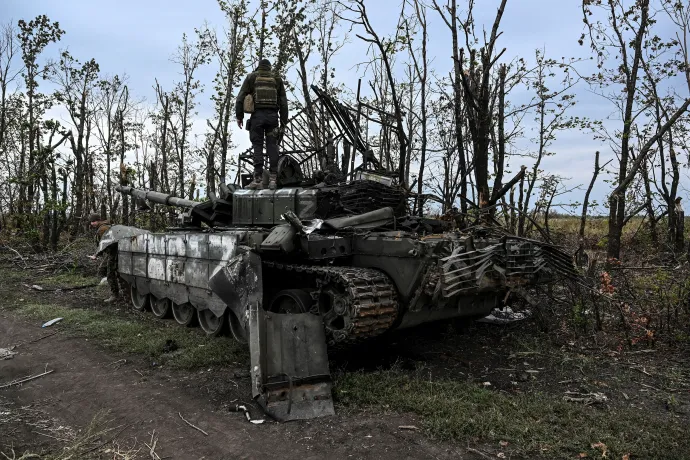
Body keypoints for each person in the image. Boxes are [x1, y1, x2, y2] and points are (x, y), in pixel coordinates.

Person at [236, 58, 289, 190]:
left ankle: (258, 179)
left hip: (257, 118)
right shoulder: (277, 79)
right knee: (272, 145)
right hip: (273, 118)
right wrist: (283, 122)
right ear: (269, 68)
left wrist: (239, 116)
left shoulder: (251, 77)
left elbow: (240, 97)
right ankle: (273, 179)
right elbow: (283, 103)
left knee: (257, 145)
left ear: (259, 67)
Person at [89, 213, 121, 303]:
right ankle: (116, 289)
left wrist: (96, 255)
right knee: (103, 270)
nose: (92, 223)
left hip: (113, 253)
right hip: (111, 252)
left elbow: (105, 243)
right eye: (91, 222)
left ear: (98, 220)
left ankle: (115, 295)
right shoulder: (105, 226)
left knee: (110, 273)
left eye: (93, 221)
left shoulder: (103, 228)